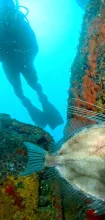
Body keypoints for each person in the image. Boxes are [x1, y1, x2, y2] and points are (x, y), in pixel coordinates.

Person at [0, 0, 64, 129]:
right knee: (19, 90)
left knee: (33, 86)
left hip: (22, 61)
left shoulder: (19, 23)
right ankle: (34, 106)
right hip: (12, 63)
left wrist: (25, 58)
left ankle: (43, 101)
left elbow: (34, 47)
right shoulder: (17, 23)